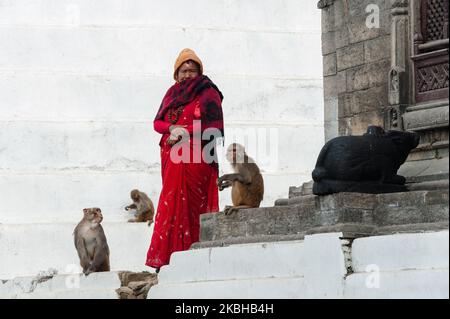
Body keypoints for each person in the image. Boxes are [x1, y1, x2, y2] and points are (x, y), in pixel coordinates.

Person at [146, 48, 224, 272]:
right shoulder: (171, 94)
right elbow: (157, 123)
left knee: (191, 205)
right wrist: (172, 128)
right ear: (176, 73)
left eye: (192, 70)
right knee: (171, 204)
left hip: (197, 158)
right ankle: (168, 260)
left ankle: (194, 256)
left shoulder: (208, 92)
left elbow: (214, 127)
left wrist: (185, 132)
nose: (188, 74)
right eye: (183, 70)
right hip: (172, 160)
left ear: (200, 72)